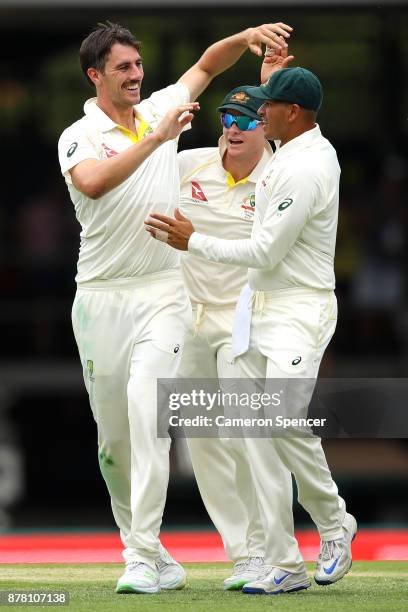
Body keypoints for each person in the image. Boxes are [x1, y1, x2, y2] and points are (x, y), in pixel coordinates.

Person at [57, 20, 293, 595]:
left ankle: (140, 557)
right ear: (96, 76)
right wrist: (159, 139)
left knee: (148, 413)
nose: (137, 76)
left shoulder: (159, 105)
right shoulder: (78, 135)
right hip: (100, 298)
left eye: (139, 66)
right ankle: (150, 551)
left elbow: (208, 65)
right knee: (115, 445)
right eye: (123, 69)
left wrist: (245, 38)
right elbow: (92, 184)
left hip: (164, 293)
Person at [145, 66, 357, 595]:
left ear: (290, 115)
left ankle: (334, 523)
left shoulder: (305, 167)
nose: (251, 118)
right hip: (253, 311)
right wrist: (274, 75)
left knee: (281, 421)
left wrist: (193, 242)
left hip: (297, 310)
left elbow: (264, 251)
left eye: (263, 109)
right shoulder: (286, 150)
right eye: (236, 115)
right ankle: (280, 562)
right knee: (249, 439)